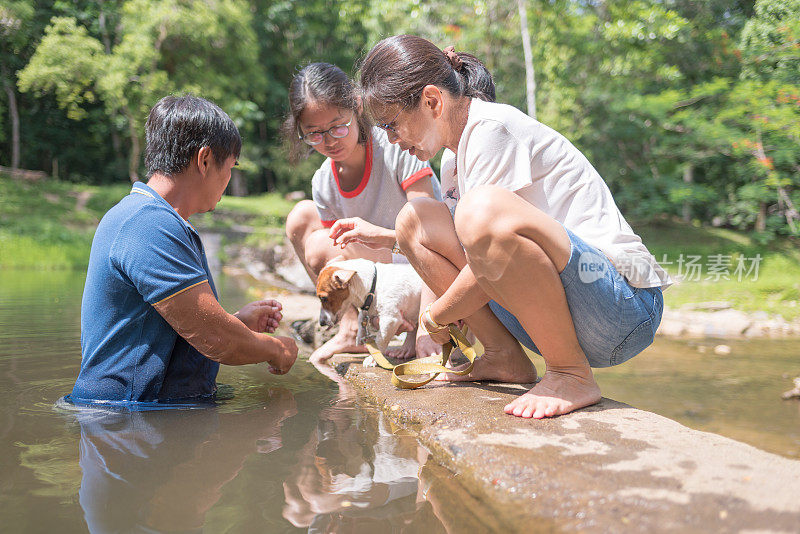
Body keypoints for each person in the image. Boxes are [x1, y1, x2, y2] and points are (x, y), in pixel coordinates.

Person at [359, 35, 672, 419]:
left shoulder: (493, 129)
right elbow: (487, 261)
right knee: (414, 221)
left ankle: (570, 373)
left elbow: (486, 254)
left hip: (623, 305)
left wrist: (436, 316)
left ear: (431, 101)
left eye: (392, 125)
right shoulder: (452, 163)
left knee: (480, 211)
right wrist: (436, 314)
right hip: (563, 312)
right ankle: (503, 356)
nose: (391, 140)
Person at [69, 95, 298, 405]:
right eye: (229, 168)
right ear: (204, 160)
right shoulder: (148, 224)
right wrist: (276, 349)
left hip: (144, 413)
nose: (228, 181)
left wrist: (237, 323)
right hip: (124, 422)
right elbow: (215, 339)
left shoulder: (153, 219)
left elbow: (186, 328)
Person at [282, 62, 443, 363]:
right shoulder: (324, 182)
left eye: (337, 127)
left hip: (423, 265)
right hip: (376, 276)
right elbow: (337, 259)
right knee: (302, 220)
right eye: (314, 134)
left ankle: (422, 323)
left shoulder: (397, 147)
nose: (329, 141)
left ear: (356, 107)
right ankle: (351, 327)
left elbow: (432, 235)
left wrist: (426, 329)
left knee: (417, 224)